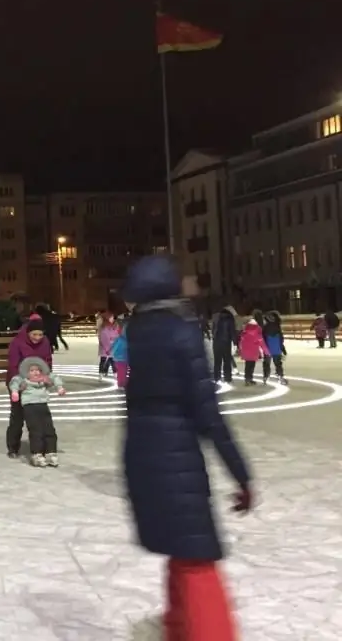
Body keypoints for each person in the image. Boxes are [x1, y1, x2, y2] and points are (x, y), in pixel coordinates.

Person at [121, 254, 253, 639]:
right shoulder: (182, 332)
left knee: (182, 550)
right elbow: (208, 413)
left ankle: (179, 627)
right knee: (196, 558)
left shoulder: (138, 332)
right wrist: (241, 474)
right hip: (177, 458)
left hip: (143, 458)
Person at [4, 314, 53, 458]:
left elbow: (48, 361)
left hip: (37, 384)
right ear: (28, 332)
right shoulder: (17, 342)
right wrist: (19, 383)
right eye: (34, 334)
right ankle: (13, 447)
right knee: (18, 415)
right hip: (19, 383)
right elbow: (13, 365)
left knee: (39, 416)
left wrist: (45, 376)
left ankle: (41, 446)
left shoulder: (45, 342)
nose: (37, 337)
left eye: (40, 334)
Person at [8, 356, 65, 467]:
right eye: (32, 370)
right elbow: (14, 381)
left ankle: (51, 452)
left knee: (49, 429)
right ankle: (37, 454)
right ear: (27, 372)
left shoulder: (43, 379)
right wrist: (15, 392)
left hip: (43, 405)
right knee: (36, 430)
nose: (35, 373)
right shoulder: (23, 380)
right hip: (30, 406)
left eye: (38, 370)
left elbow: (54, 377)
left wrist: (60, 387)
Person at [238, 318, 269, 385]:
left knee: (247, 365)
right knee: (251, 365)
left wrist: (240, 351)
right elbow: (262, 343)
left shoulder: (244, 332)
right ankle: (249, 379)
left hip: (246, 351)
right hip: (253, 352)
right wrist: (266, 352)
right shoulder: (257, 332)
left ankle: (247, 379)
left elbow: (240, 342)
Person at [211, 305, 237, 383]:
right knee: (227, 360)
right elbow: (232, 332)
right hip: (226, 342)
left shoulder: (216, 318)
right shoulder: (230, 319)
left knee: (217, 361)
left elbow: (213, 330)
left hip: (216, 342)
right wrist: (235, 342)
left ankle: (217, 377)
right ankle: (227, 377)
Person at [261, 310, 287, 384]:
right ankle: (280, 376)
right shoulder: (277, 327)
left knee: (266, 363)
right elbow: (281, 339)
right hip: (276, 349)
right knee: (278, 363)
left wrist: (263, 348)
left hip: (267, 349)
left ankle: (266, 376)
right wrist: (283, 349)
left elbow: (262, 339)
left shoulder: (265, 327)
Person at [110, 310, 131, 389]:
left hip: (125, 358)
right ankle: (121, 384)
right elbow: (114, 347)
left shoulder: (124, 339)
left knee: (124, 372)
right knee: (122, 372)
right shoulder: (120, 339)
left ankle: (124, 383)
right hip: (120, 359)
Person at [97, 313, 118, 378]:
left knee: (113, 361)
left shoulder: (114, 326)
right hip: (106, 349)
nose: (112, 319)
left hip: (112, 347)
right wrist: (107, 349)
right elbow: (103, 339)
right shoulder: (103, 328)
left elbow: (116, 335)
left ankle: (114, 373)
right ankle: (101, 373)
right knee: (103, 360)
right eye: (111, 317)